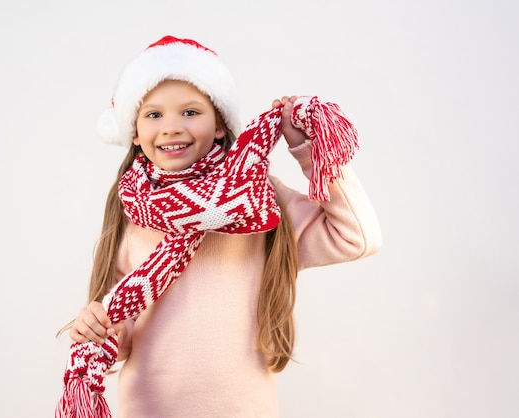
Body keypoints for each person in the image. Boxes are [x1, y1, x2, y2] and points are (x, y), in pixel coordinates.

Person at [62, 35, 382, 417]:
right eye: (153, 115)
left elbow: (357, 237)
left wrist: (310, 151)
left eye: (191, 112)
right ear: (134, 132)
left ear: (219, 124)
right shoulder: (131, 212)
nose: (171, 127)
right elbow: (125, 334)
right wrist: (100, 328)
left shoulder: (259, 201)